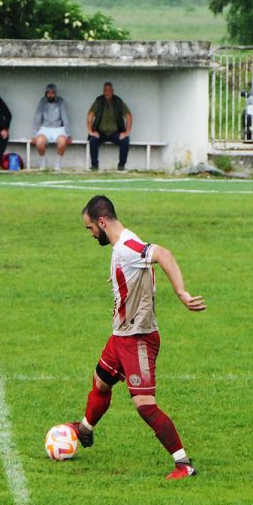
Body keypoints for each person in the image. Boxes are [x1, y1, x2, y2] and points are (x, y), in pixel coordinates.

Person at [71, 195, 206, 479]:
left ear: (102, 221)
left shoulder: (127, 246)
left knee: (145, 406)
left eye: (90, 228)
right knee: (101, 382)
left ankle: (184, 464)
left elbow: (164, 254)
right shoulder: (124, 246)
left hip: (139, 339)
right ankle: (85, 429)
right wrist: (120, 277)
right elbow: (136, 268)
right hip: (121, 335)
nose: (91, 233)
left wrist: (181, 293)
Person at [87, 82, 132, 171]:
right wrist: (90, 131)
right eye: (105, 90)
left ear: (112, 91)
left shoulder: (118, 101)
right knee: (92, 139)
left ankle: (121, 166)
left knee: (125, 140)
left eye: (109, 90)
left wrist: (127, 132)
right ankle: (95, 166)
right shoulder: (99, 101)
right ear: (103, 91)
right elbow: (90, 115)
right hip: (101, 133)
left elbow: (128, 115)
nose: (107, 92)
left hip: (115, 133)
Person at [32, 83, 71, 171]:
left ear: (55, 93)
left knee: (62, 142)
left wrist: (68, 135)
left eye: (52, 93)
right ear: (46, 93)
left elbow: (65, 118)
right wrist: (34, 134)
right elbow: (37, 118)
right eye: (48, 93)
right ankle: (43, 160)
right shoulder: (42, 101)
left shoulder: (61, 102)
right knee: (39, 142)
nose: (50, 95)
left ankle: (58, 162)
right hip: (45, 128)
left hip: (58, 129)